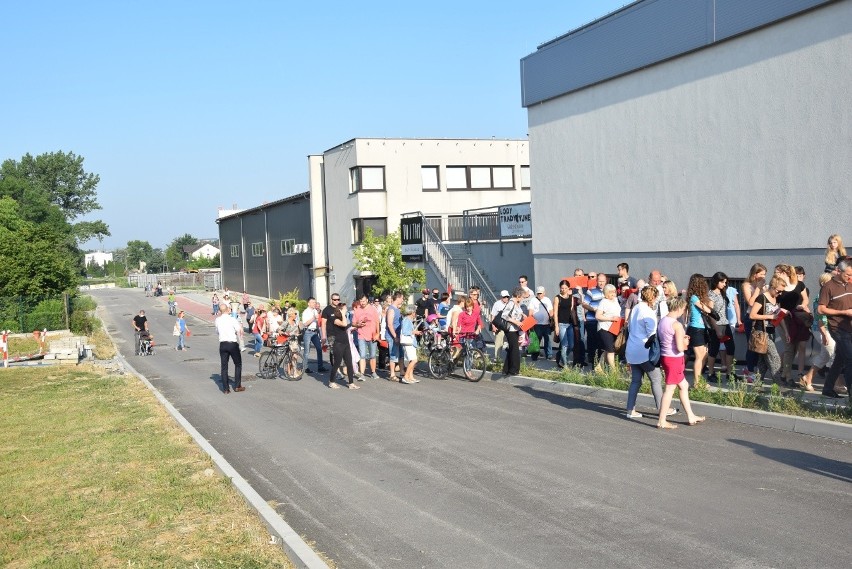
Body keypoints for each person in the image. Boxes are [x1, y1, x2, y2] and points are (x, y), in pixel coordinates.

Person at [656, 297, 705, 428]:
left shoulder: (662, 321)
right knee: (670, 389)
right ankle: (662, 420)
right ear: (679, 308)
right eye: (683, 309)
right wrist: (686, 342)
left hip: (665, 356)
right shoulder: (677, 325)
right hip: (675, 358)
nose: (684, 312)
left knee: (683, 385)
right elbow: (680, 347)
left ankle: (690, 415)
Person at [624, 286, 668, 419]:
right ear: (653, 297)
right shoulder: (648, 312)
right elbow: (652, 334)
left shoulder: (636, 307)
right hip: (644, 351)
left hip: (632, 349)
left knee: (636, 381)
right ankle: (662, 409)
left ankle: (630, 410)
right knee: (656, 379)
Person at [818, 258, 852, 398]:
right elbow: (820, 309)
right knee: (850, 358)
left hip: (849, 326)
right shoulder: (828, 286)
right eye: (847, 275)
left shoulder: (850, 284)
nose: (850, 278)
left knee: (840, 358)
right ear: (838, 271)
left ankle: (827, 388)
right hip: (837, 327)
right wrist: (843, 312)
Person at [775, 264, 811, 386]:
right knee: (789, 347)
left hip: (797, 319)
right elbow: (775, 307)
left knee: (794, 348)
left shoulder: (799, 285)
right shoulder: (778, 287)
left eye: (778, 272)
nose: (776, 274)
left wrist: (803, 305)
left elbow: (806, 299)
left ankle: (784, 374)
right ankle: (788, 377)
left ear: (786, 273)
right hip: (783, 320)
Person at [799, 273, 835, 392]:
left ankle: (807, 378)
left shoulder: (829, 294)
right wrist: (824, 334)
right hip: (821, 329)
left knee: (825, 356)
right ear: (824, 283)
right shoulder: (822, 296)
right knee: (834, 353)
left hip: (827, 329)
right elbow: (821, 317)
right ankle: (835, 383)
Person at [748, 275, 785, 384]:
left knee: (762, 362)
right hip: (761, 333)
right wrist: (770, 316)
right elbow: (752, 315)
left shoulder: (776, 298)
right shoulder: (762, 298)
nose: (780, 294)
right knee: (775, 358)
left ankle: (757, 385)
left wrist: (786, 331)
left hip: (771, 332)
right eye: (779, 291)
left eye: (782, 292)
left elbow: (778, 316)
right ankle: (779, 385)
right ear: (773, 287)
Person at [323, 293, 357, 389]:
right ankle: (331, 381)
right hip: (338, 342)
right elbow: (343, 324)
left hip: (345, 342)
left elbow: (348, 325)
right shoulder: (335, 319)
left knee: (349, 362)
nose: (346, 310)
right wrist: (343, 314)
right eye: (345, 309)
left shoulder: (342, 317)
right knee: (337, 362)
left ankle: (351, 383)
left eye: (338, 299)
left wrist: (358, 324)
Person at [741, 263, 768, 381]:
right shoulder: (747, 285)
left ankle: (756, 369)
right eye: (761, 274)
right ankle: (749, 370)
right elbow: (751, 303)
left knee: (760, 345)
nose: (763, 276)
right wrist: (758, 288)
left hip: (762, 317)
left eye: (765, 274)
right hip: (751, 318)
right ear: (755, 274)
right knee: (752, 345)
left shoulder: (764, 285)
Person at [686, 273, 714, 385]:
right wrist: (710, 307)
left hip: (702, 328)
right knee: (699, 356)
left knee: (704, 354)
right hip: (696, 328)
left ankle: (699, 380)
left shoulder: (699, 297)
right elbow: (707, 309)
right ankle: (697, 383)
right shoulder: (694, 297)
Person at [706, 272, 735, 379]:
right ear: (716, 281)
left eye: (725, 282)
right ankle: (711, 373)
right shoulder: (711, 294)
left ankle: (729, 373)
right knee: (714, 349)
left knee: (731, 348)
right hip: (716, 325)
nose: (724, 284)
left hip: (725, 323)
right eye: (722, 282)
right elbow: (710, 313)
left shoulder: (723, 293)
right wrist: (717, 329)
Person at [215, 303, 245, 393]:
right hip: (232, 343)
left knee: (224, 367)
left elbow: (217, 332)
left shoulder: (217, 320)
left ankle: (226, 389)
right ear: (228, 309)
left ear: (220, 311)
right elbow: (239, 330)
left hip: (223, 344)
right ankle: (237, 386)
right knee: (238, 364)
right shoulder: (232, 319)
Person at [580, 273, 607, 367]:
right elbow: (584, 304)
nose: (601, 283)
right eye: (600, 281)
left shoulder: (609, 291)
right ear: (596, 281)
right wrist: (593, 309)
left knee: (602, 342)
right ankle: (592, 359)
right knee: (592, 341)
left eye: (603, 281)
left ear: (606, 281)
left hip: (604, 321)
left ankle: (600, 361)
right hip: (592, 320)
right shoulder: (590, 291)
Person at [353, 294, 380, 379]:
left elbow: (377, 322)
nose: (362, 303)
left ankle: (373, 372)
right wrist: (358, 324)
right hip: (361, 335)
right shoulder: (357, 310)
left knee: (372, 355)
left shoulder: (373, 309)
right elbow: (353, 323)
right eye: (361, 301)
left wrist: (378, 333)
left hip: (372, 335)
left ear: (367, 300)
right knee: (362, 355)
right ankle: (362, 374)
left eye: (364, 301)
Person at [499, 288, 525, 376]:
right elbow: (504, 315)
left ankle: (506, 369)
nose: (522, 299)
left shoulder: (517, 303)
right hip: (510, 329)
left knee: (511, 349)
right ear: (518, 296)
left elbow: (518, 313)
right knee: (515, 350)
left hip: (516, 329)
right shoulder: (511, 303)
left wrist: (523, 315)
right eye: (522, 297)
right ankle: (514, 370)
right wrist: (517, 322)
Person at [595, 284, 621, 369]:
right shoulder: (603, 302)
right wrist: (610, 318)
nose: (613, 294)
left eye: (614, 292)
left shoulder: (616, 300)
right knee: (610, 350)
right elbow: (598, 316)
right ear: (606, 293)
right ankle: (614, 370)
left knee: (607, 348)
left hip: (614, 328)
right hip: (605, 328)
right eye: (610, 292)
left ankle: (599, 367)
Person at [552, 280, 576, 369]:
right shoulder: (557, 298)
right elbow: (555, 312)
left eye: (566, 288)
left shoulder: (571, 297)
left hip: (569, 324)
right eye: (562, 288)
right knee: (564, 344)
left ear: (568, 288)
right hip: (561, 324)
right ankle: (565, 365)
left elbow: (571, 310)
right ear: (560, 288)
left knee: (571, 345)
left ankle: (562, 360)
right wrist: (556, 326)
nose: (564, 290)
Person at [301, 297, 328, 373]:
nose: (314, 304)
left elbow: (317, 323)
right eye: (312, 302)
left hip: (315, 332)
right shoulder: (305, 312)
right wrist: (313, 318)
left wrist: (320, 333)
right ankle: (305, 367)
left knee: (319, 348)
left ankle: (320, 366)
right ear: (308, 303)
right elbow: (305, 324)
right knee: (307, 350)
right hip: (308, 332)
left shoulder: (315, 311)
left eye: (315, 302)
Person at [385, 292, 404, 381]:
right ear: (398, 298)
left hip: (399, 335)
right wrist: (395, 336)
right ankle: (392, 374)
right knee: (393, 355)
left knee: (401, 354)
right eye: (402, 298)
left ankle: (402, 372)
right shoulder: (391, 309)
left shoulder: (397, 309)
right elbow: (390, 324)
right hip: (392, 336)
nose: (403, 300)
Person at [399, 305, 420, 384]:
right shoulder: (406, 320)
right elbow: (405, 331)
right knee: (414, 360)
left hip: (410, 342)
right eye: (414, 312)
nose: (415, 313)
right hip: (408, 342)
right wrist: (415, 332)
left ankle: (410, 377)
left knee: (412, 360)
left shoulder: (409, 320)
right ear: (412, 312)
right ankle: (406, 376)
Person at [533, 286, 554, 361]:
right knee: (536, 340)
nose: (539, 295)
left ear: (544, 293)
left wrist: (552, 320)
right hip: (537, 324)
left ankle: (549, 355)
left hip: (546, 324)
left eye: (541, 293)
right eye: (538, 293)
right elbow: (530, 312)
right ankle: (535, 355)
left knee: (547, 340)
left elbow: (551, 310)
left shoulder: (547, 300)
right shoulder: (533, 300)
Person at [491, 291, 510, 362]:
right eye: (504, 297)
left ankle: (509, 357)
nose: (506, 298)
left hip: (508, 325)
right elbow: (493, 315)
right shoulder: (497, 304)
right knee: (499, 341)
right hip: (499, 325)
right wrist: (493, 326)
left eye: (507, 297)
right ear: (501, 297)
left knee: (510, 341)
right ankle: (497, 357)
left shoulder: (510, 303)